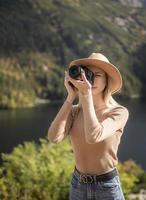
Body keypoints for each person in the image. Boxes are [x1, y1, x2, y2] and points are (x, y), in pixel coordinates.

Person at [48, 53, 129, 200]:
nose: (90, 78)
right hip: (78, 185)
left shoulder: (118, 112)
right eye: (87, 73)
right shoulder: (75, 111)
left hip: (107, 187)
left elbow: (94, 135)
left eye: (96, 74)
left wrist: (85, 95)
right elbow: (54, 138)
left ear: (107, 81)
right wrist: (70, 97)